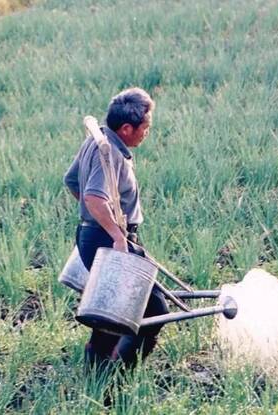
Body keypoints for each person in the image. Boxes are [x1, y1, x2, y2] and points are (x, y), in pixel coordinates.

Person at [63, 87, 169, 375]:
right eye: (145, 127)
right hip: (108, 240)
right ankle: (116, 378)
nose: (147, 133)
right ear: (126, 128)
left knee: (115, 313)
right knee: (154, 313)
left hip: (98, 236)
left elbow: (72, 181)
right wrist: (115, 232)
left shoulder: (98, 141)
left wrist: (101, 221)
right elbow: (93, 197)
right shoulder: (108, 154)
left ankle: (99, 374)